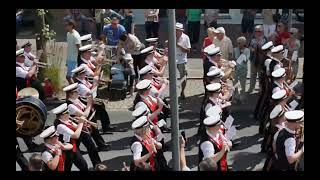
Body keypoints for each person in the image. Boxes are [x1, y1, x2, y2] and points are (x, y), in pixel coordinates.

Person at [64, 83, 111, 152]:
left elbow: (84, 107)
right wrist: (89, 104)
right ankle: (76, 152)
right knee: (82, 141)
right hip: (78, 124)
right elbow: (84, 114)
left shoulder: (77, 100)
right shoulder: (70, 105)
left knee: (87, 139)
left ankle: (101, 145)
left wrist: (91, 102)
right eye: (76, 92)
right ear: (71, 94)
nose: (78, 93)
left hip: (84, 123)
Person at [52, 103, 88, 171]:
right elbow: (76, 135)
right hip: (66, 151)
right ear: (62, 115)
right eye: (67, 113)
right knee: (66, 168)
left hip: (73, 148)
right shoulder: (60, 126)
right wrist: (81, 123)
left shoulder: (67, 121)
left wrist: (82, 123)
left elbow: (77, 128)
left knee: (84, 166)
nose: (69, 114)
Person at [262, 104, 286, 170]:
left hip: (274, 151)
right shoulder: (277, 130)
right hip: (275, 152)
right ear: (281, 117)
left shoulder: (281, 124)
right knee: (270, 164)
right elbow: (274, 146)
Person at [248, 25, 268, 93]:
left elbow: (267, 51)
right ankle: (251, 88)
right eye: (256, 31)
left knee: (260, 76)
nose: (257, 33)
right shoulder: (253, 39)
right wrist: (252, 49)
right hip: (253, 60)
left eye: (259, 31)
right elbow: (249, 47)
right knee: (252, 74)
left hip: (261, 61)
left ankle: (261, 89)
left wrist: (261, 49)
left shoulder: (265, 39)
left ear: (262, 32)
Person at [175, 22, 191, 100]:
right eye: (175, 30)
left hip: (182, 60)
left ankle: (182, 92)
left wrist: (179, 46)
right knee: (173, 78)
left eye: (177, 30)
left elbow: (188, 50)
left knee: (183, 77)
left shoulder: (186, 38)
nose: (176, 32)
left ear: (181, 31)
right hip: (173, 61)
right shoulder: (172, 36)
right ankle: (173, 92)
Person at [233, 36, 250, 103]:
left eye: (239, 43)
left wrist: (242, 54)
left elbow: (246, 60)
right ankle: (236, 97)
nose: (238, 44)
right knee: (235, 84)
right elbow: (233, 59)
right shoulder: (235, 49)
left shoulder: (247, 50)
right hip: (236, 69)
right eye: (237, 43)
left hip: (243, 70)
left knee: (243, 85)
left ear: (244, 43)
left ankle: (242, 98)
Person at [65, 19, 81, 84]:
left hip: (73, 59)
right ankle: (73, 90)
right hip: (69, 58)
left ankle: (73, 90)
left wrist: (78, 59)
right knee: (73, 76)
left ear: (71, 26)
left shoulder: (76, 35)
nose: (65, 26)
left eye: (67, 25)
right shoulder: (68, 34)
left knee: (68, 77)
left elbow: (79, 48)